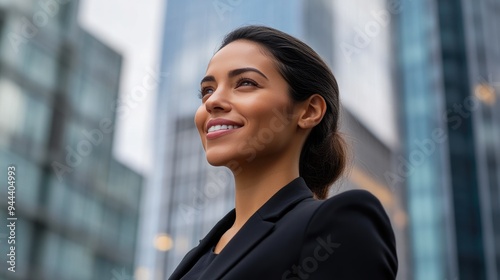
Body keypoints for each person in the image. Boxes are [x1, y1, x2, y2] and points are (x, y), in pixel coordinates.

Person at [169, 25, 398, 280]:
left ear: (309, 111)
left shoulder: (340, 225)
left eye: (245, 83)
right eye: (207, 90)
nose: (211, 102)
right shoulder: (195, 260)